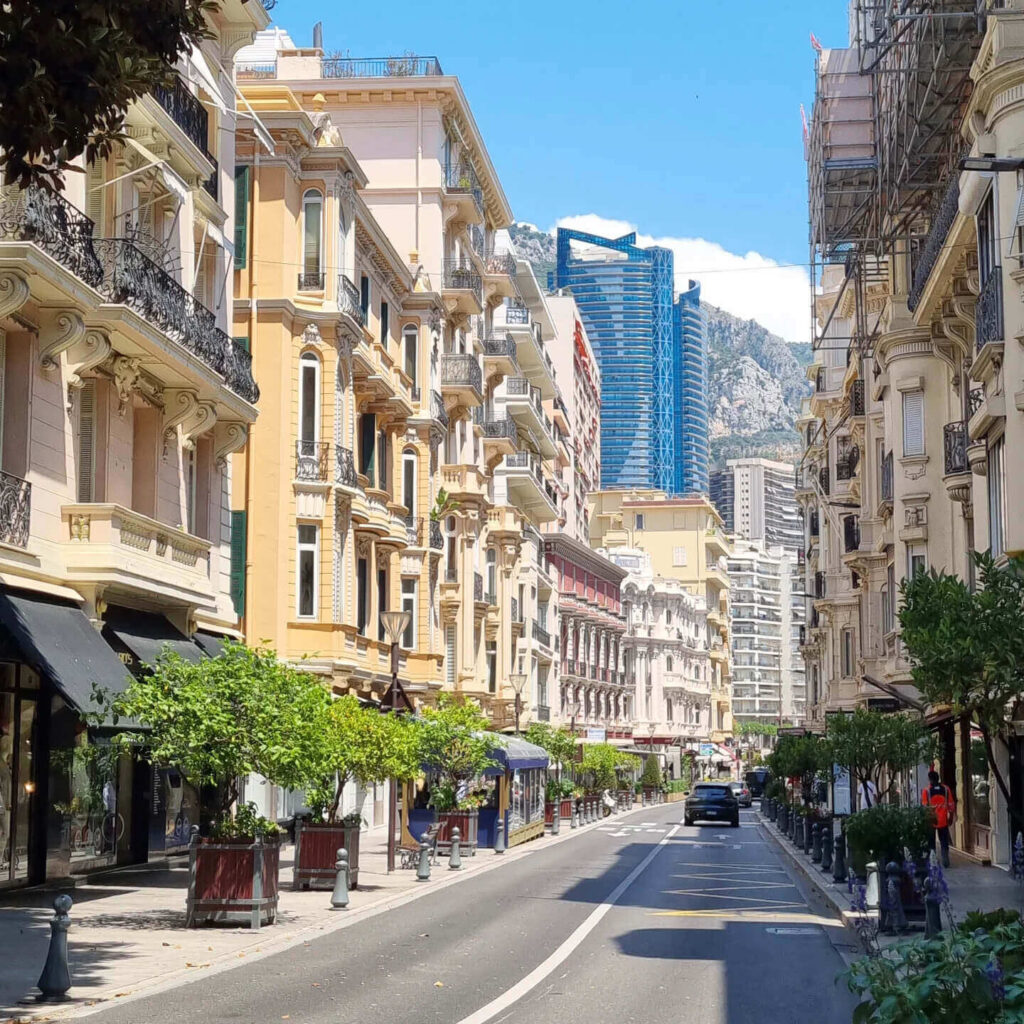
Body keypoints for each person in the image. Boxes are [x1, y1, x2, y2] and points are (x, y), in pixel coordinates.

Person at [921, 770, 956, 868]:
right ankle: (945, 860)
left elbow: (924, 807)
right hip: (943, 820)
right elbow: (951, 805)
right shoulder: (946, 789)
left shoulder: (926, 791)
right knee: (944, 842)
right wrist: (951, 817)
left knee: (931, 843)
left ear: (930, 779)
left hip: (931, 821)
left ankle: (933, 862)